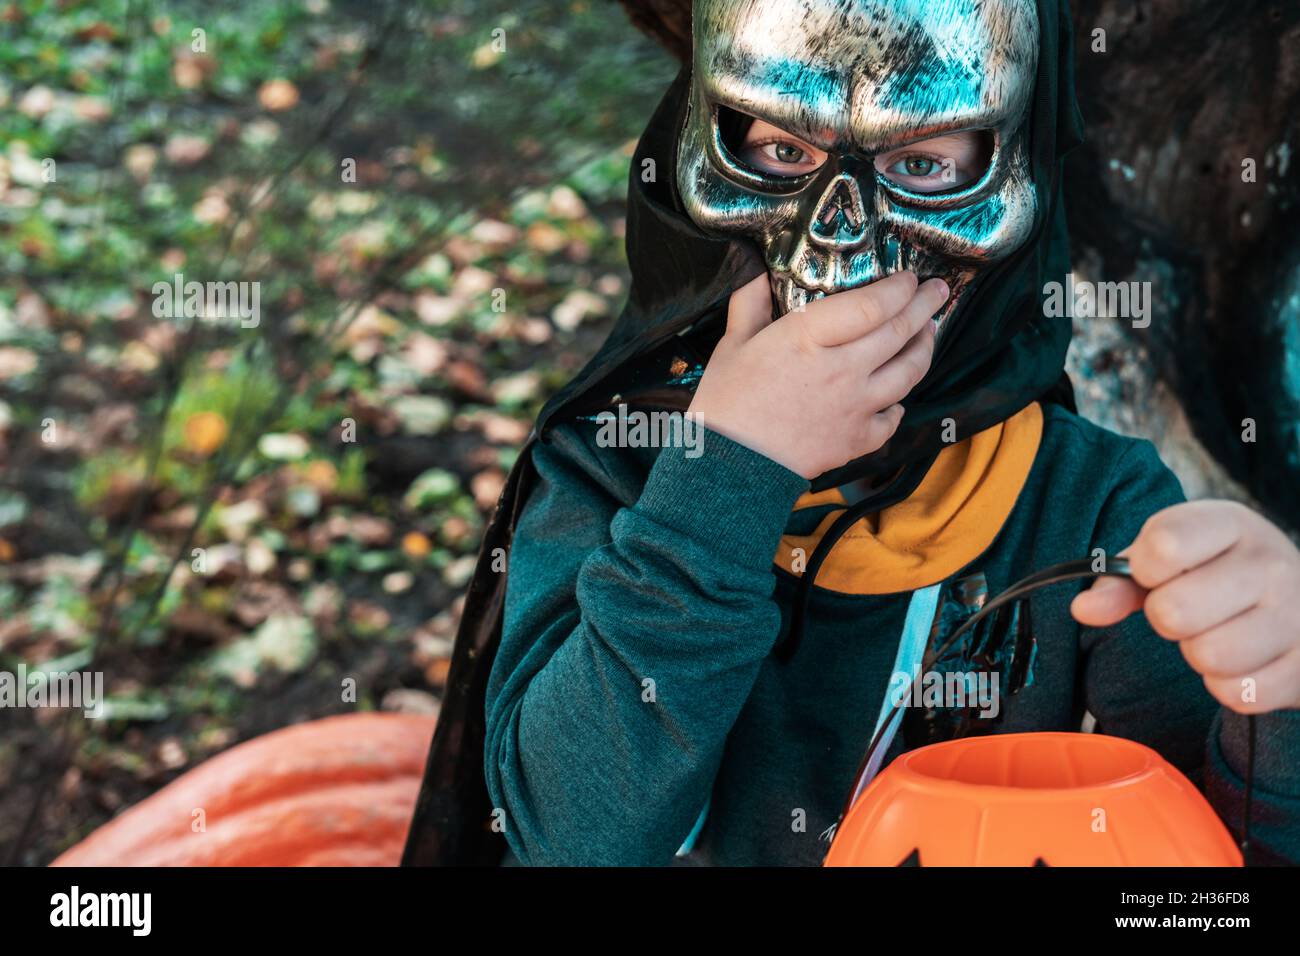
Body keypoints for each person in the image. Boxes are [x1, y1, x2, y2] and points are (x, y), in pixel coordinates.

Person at [404, 0, 1300, 866]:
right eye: (783, 148)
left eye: (922, 163)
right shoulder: (612, 464)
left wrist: (1277, 695)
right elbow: (569, 839)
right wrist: (725, 476)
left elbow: (1199, 874)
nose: (840, 241)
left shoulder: (1092, 510)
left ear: (1021, 181)